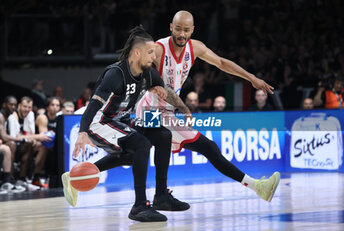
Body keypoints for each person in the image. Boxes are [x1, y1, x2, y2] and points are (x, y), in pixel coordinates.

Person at [134, 10, 280, 204]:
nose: (181, 34)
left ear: (193, 30)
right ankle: (257, 187)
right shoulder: (159, 48)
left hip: (165, 110)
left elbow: (220, 63)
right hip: (150, 110)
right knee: (207, 147)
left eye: (186, 30)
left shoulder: (195, 48)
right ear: (171, 27)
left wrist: (251, 78)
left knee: (132, 153)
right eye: (178, 29)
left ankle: (158, 194)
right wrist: (147, 82)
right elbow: (135, 66)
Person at [62, 26, 192, 222]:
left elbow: (168, 91)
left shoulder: (148, 73)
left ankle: (162, 196)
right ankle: (139, 206)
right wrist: (82, 132)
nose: (153, 57)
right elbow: (93, 105)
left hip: (121, 122)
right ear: (136, 52)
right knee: (141, 145)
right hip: (99, 122)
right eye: (150, 52)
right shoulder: (116, 74)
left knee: (162, 136)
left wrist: (184, 109)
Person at [8, 96, 51, 189]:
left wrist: (35, 139)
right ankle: (10, 180)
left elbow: (29, 134)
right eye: (25, 106)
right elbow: (14, 137)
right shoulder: (13, 116)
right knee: (12, 145)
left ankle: (31, 178)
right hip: (11, 143)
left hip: (23, 143)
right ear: (19, 106)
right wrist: (37, 137)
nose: (27, 109)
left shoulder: (30, 114)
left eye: (29, 107)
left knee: (40, 145)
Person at [35, 97, 61, 187]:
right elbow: (45, 138)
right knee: (45, 146)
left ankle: (53, 177)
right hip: (37, 143)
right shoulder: (43, 117)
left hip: (52, 145)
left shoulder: (59, 119)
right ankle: (35, 177)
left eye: (57, 105)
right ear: (47, 107)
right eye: (52, 105)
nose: (55, 107)